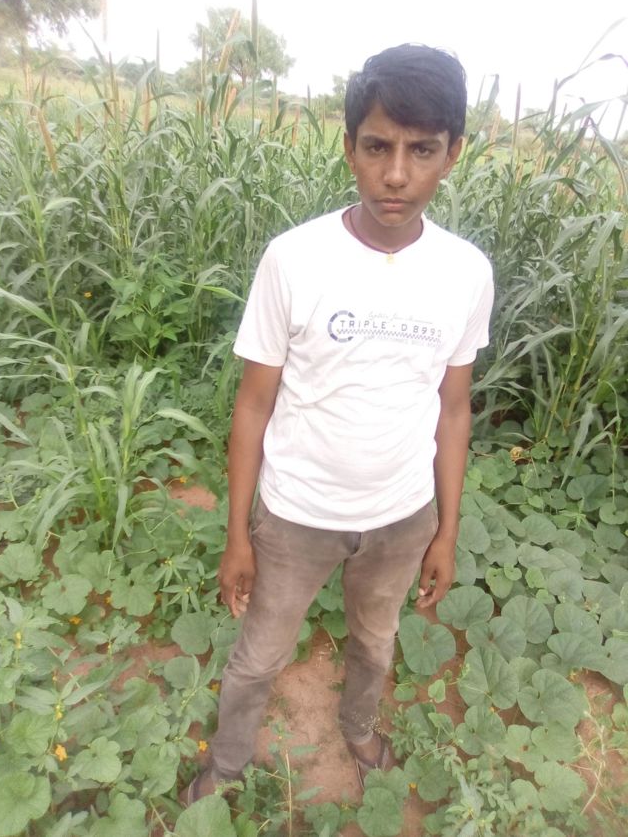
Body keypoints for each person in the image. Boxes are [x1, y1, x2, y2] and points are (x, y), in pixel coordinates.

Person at [181, 42, 494, 803]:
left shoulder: (465, 272)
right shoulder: (295, 259)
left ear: (453, 153)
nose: (397, 175)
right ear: (349, 146)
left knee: (376, 641)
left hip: (401, 517)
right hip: (296, 515)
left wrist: (445, 531)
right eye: (378, 147)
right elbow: (253, 403)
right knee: (260, 656)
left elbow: (454, 409)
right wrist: (238, 534)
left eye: (422, 150)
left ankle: (357, 728)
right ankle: (227, 764)